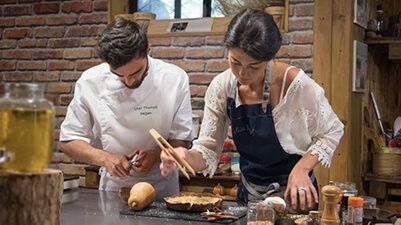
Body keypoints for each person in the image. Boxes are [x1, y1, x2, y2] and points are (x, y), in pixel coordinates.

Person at [160, 8, 344, 211]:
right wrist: (184, 157)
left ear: (270, 58)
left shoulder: (295, 85)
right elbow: (207, 150)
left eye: (254, 66)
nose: (242, 73)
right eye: (235, 62)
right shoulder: (221, 87)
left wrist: (302, 168)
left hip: (294, 196)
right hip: (250, 196)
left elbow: (332, 130)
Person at [59, 18, 193, 198]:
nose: (129, 81)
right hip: (114, 189)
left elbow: (182, 140)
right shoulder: (90, 82)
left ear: (148, 50)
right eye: (119, 75)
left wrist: (156, 154)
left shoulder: (174, 78)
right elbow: (68, 141)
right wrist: (105, 158)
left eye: (136, 73)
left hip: (162, 186)